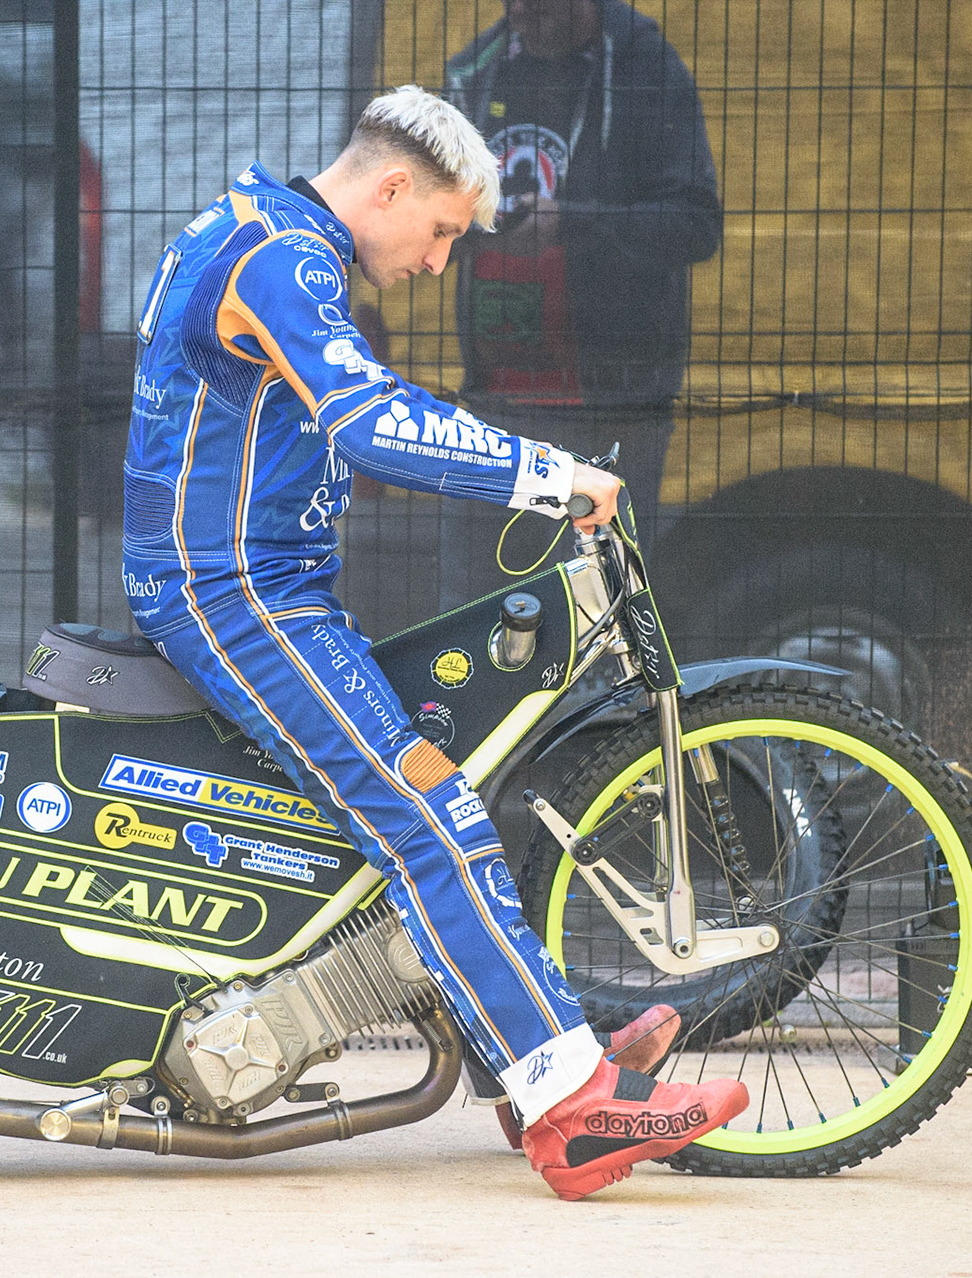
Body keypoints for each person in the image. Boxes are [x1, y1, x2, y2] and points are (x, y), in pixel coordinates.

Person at [121, 85, 746, 1200]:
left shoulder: (260, 233)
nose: (440, 262)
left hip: (259, 591)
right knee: (435, 818)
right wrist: (550, 477)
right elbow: (369, 421)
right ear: (392, 186)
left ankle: (537, 1046)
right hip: (236, 597)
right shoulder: (282, 260)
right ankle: (572, 1108)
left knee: (418, 811)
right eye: (445, 231)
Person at [445, 0, 721, 565]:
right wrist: (474, 227)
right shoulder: (475, 70)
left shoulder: (645, 67)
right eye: (516, 8)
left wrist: (572, 221)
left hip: (615, 403)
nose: (527, 20)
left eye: (546, 10)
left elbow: (695, 224)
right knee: (477, 601)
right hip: (495, 400)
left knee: (601, 593)